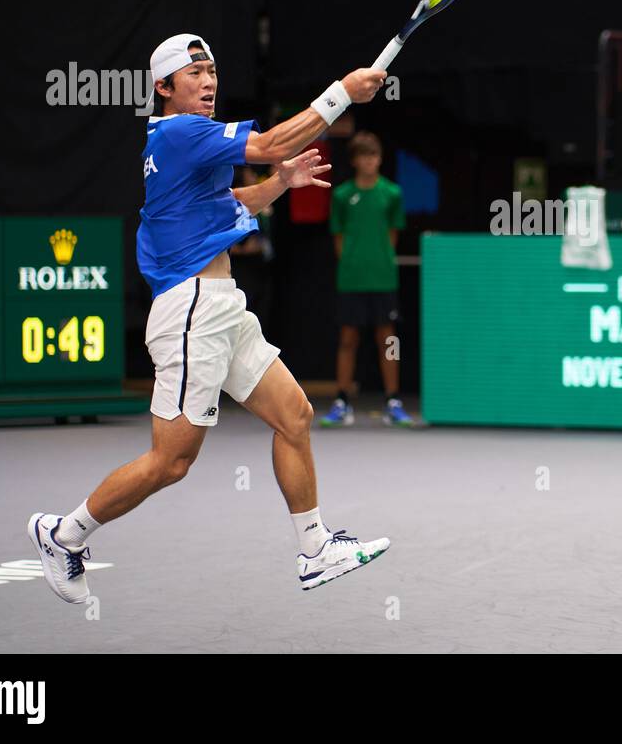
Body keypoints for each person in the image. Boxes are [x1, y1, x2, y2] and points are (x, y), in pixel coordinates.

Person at [27, 34, 390, 603]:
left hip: (222, 305)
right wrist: (343, 91)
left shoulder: (183, 145)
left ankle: (315, 550)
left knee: (294, 415)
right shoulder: (179, 131)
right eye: (194, 71)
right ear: (164, 88)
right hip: (192, 308)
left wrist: (281, 183)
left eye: (213, 69)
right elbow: (270, 142)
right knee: (171, 461)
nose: (209, 80)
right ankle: (62, 534)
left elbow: (230, 204)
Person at [321, 131, 413, 428]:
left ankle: (393, 401)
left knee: (387, 339)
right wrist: (352, 264)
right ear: (355, 161)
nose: (369, 161)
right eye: (363, 156)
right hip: (351, 279)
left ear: (380, 159)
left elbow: (392, 235)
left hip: (383, 278)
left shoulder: (392, 193)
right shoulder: (342, 196)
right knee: (348, 339)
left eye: (373, 155)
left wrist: (378, 261)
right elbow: (338, 238)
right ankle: (342, 402)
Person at [228, 165, 274, 324]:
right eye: (250, 174)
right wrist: (245, 248)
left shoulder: (261, 205)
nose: (254, 177)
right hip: (241, 268)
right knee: (243, 315)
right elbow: (232, 242)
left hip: (261, 266)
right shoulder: (233, 203)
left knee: (261, 315)